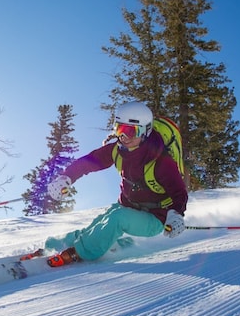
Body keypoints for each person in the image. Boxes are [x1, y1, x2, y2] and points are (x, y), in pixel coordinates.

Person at [43, 101, 188, 267]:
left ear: (145, 131)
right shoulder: (117, 150)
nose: (124, 137)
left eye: (130, 131)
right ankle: (67, 242)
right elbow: (88, 162)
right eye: (119, 129)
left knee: (117, 219)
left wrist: (176, 214)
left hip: (155, 217)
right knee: (102, 221)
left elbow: (179, 192)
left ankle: (79, 253)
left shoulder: (162, 162)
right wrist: (66, 177)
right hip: (127, 206)